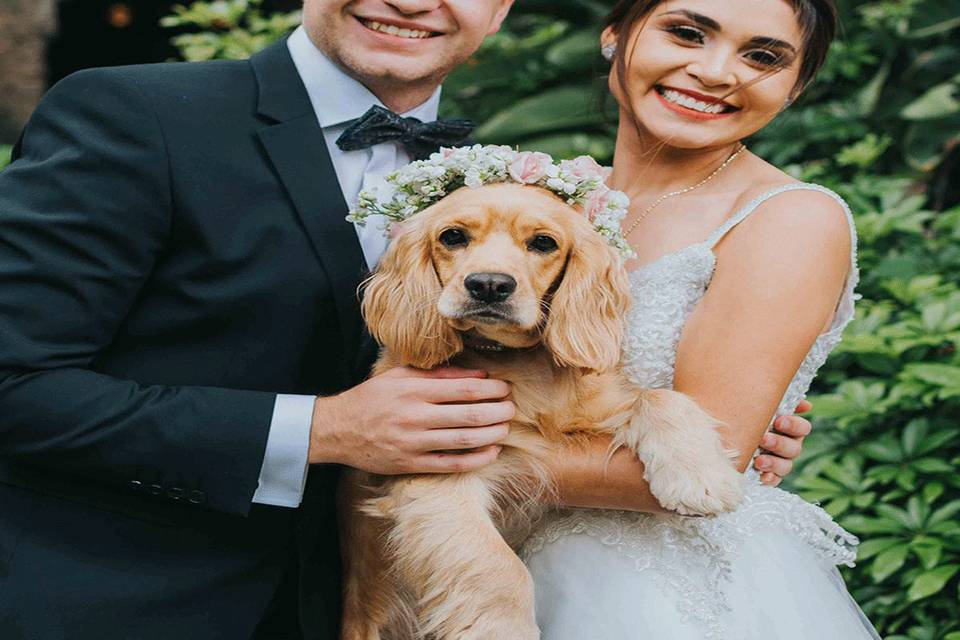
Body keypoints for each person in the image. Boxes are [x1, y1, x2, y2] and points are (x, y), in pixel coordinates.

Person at [0, 1, 810, 638]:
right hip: (132, 603)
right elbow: (15, 382)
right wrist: (323, 431)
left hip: (390, 600)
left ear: (499, 10)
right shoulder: (137, 114)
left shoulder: (502, 183)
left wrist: (709, 420)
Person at [522, 1, 880, 638]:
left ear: (794, 87)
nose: (716, 72)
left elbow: (702, 465)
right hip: (490, 562)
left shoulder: (789, 218)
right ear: (615, 34)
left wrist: (422, 451)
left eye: (762, 57)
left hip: (649, 592)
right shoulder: (547, 207)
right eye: (686, 33)